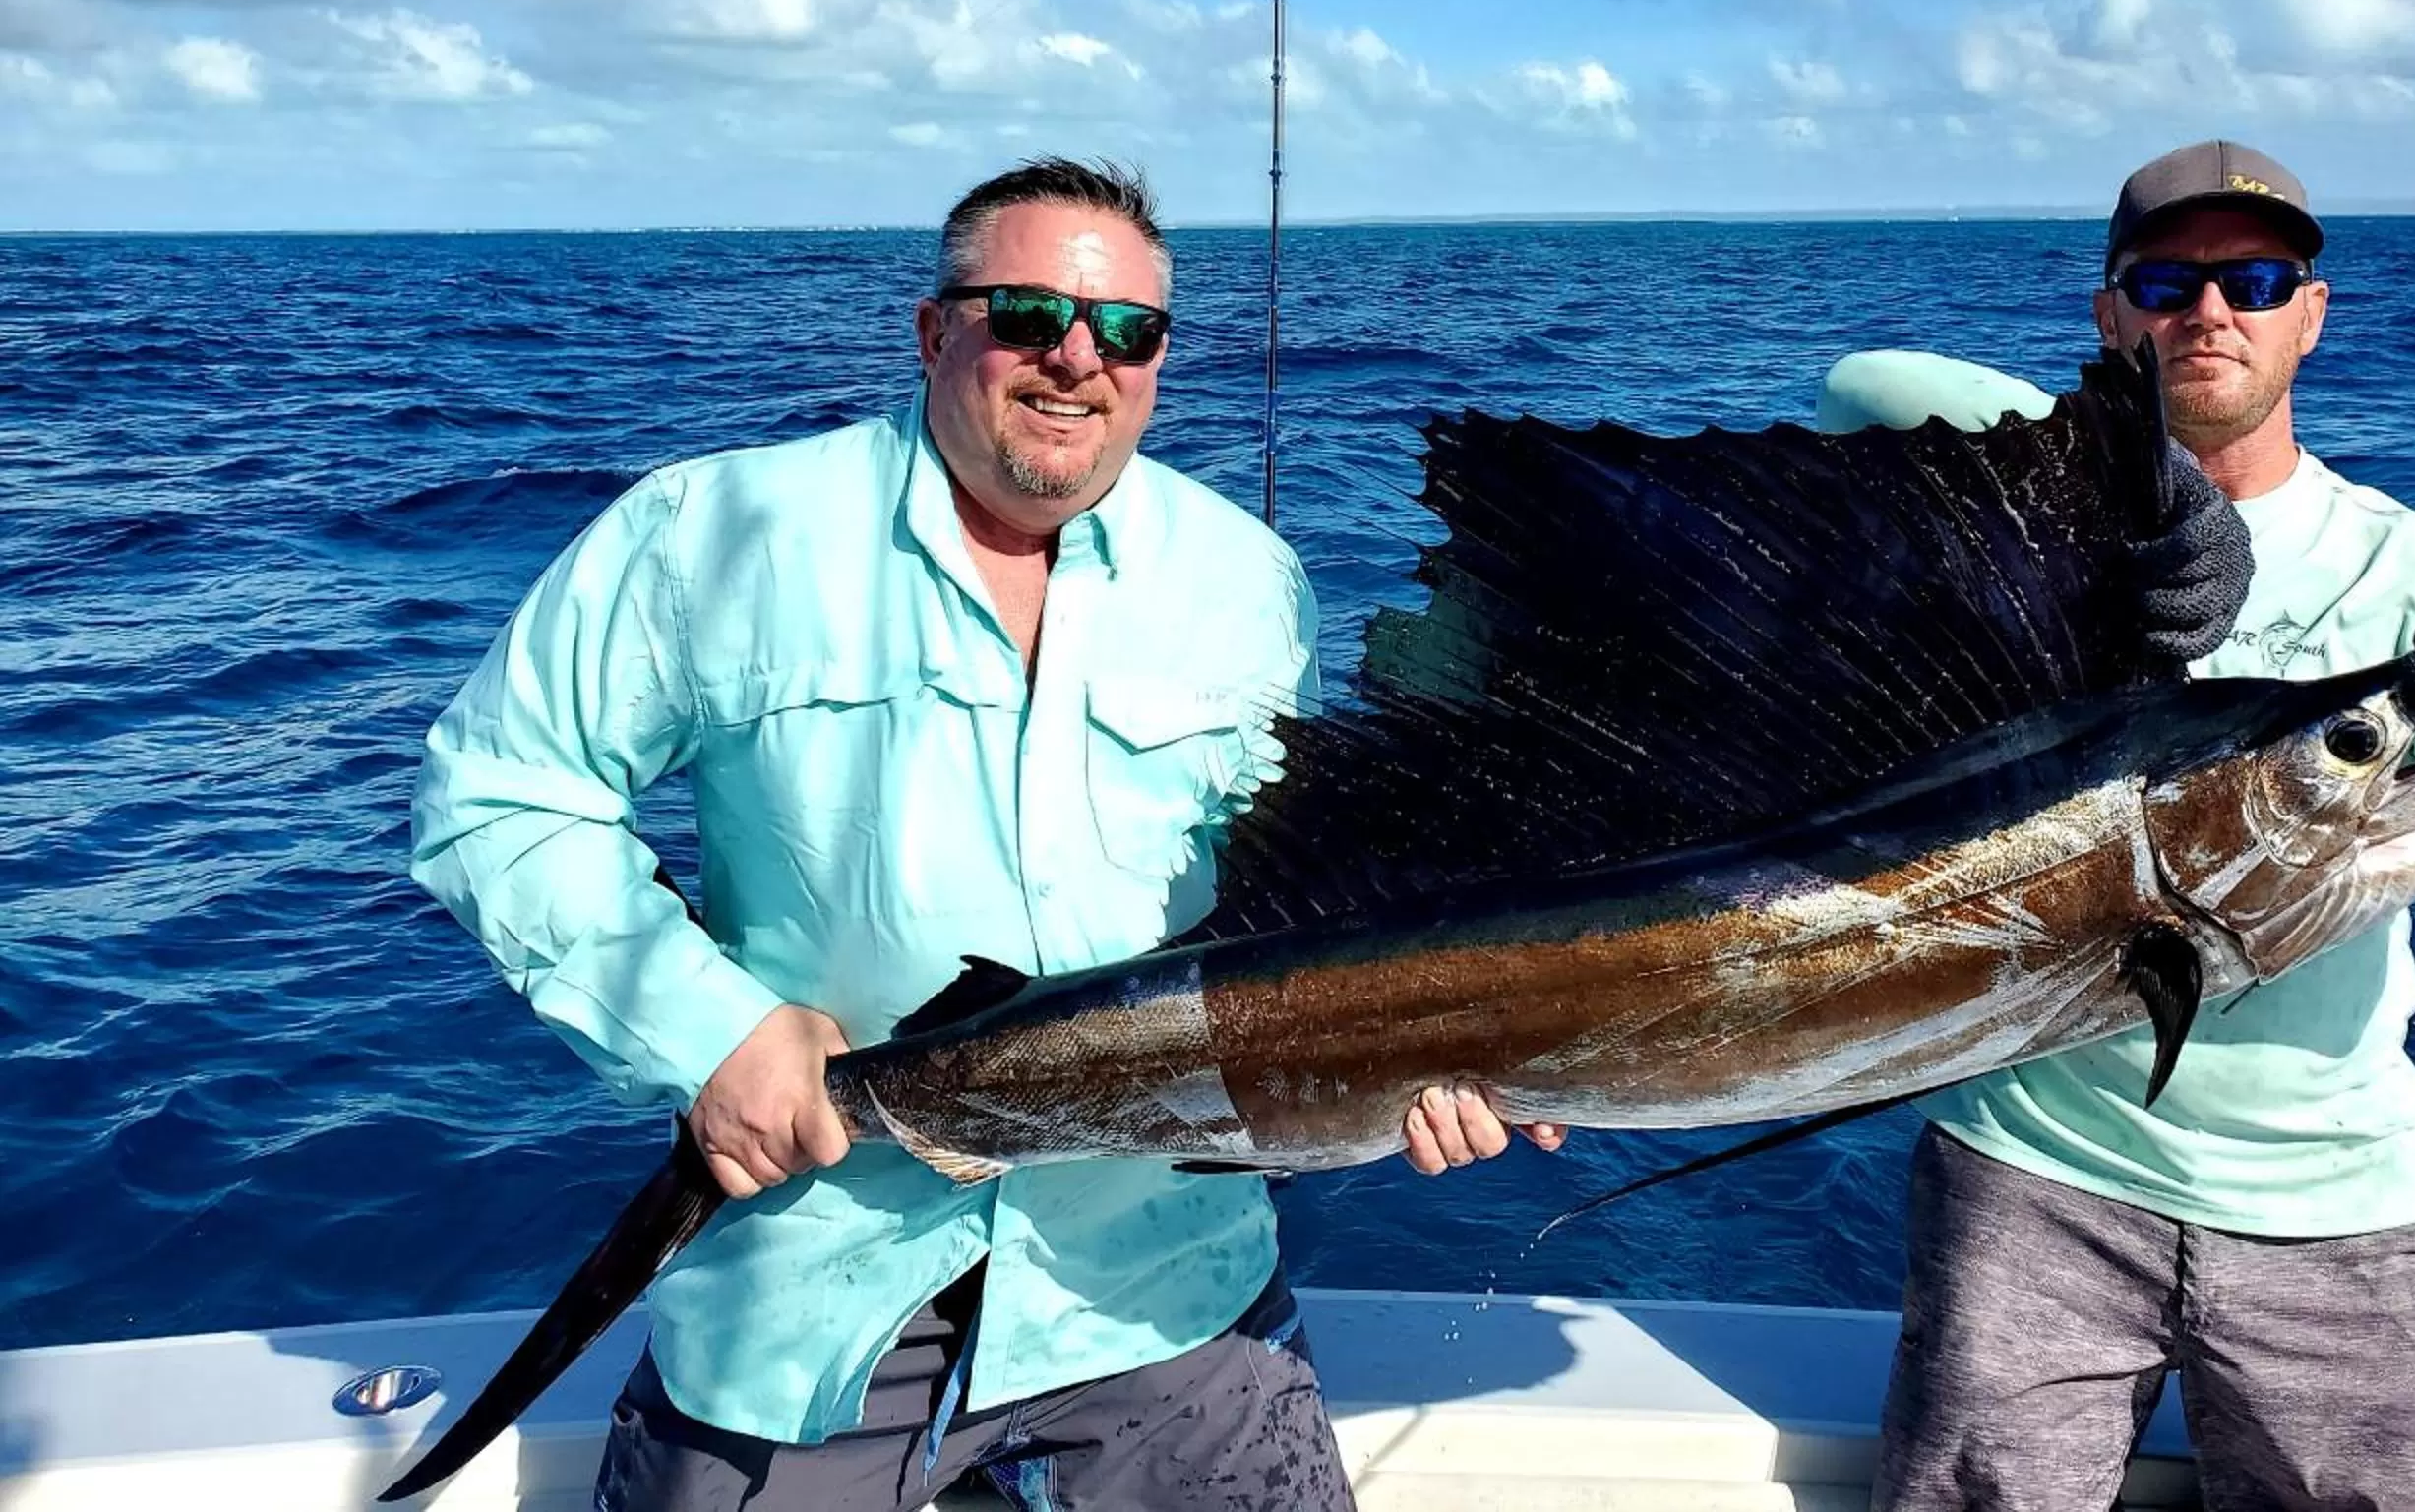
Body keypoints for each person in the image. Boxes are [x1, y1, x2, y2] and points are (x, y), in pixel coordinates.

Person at [409, 156, 1555, 1512]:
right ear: (933, 330)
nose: (1077, 357)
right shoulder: (714, 528)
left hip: (1162, 1281)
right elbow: (503, 790)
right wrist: (710, 1032)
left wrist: (1445, 1052)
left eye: (1127, 329)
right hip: (816, 1286)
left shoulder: (1248, 578)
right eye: (1027, 314)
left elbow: (1296, 911)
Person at [1836, 139, 2415, 1512]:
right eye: (2164, 282)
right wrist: (2129, 485)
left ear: (2311, 313)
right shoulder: (2038, 530)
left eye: (2252, 282)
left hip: (2341, 1204)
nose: (2209, 312)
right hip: (2031, 1172)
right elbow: (1857, 383)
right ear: (2110, 313)